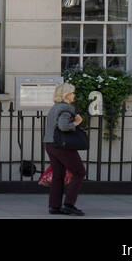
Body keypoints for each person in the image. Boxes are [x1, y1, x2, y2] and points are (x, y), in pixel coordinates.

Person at [43, 81, 87, 215]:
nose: (74, 95)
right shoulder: (66, 108)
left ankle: (54, 206)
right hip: (62, 146)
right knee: (79, 172)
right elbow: (63, 126)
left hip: (50, 144)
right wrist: (77, 122)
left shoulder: (54, 108)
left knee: (58, 175)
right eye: (72, 93)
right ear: (67, 95)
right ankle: (68, 204)